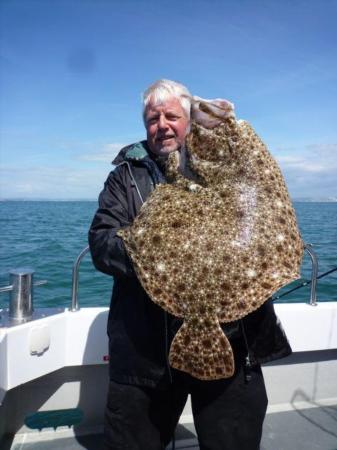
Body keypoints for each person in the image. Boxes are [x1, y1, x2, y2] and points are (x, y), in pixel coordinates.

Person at [88, 79, 292, 450]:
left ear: (190, 121)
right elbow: (102, 243)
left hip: (233, 342)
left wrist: (216, 118)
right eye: (153, 118)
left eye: (172, 116)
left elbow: (260, 186)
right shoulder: (126, 177)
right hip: (145, 354)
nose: (162, 124)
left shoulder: (227, 163)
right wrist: (159, 253)